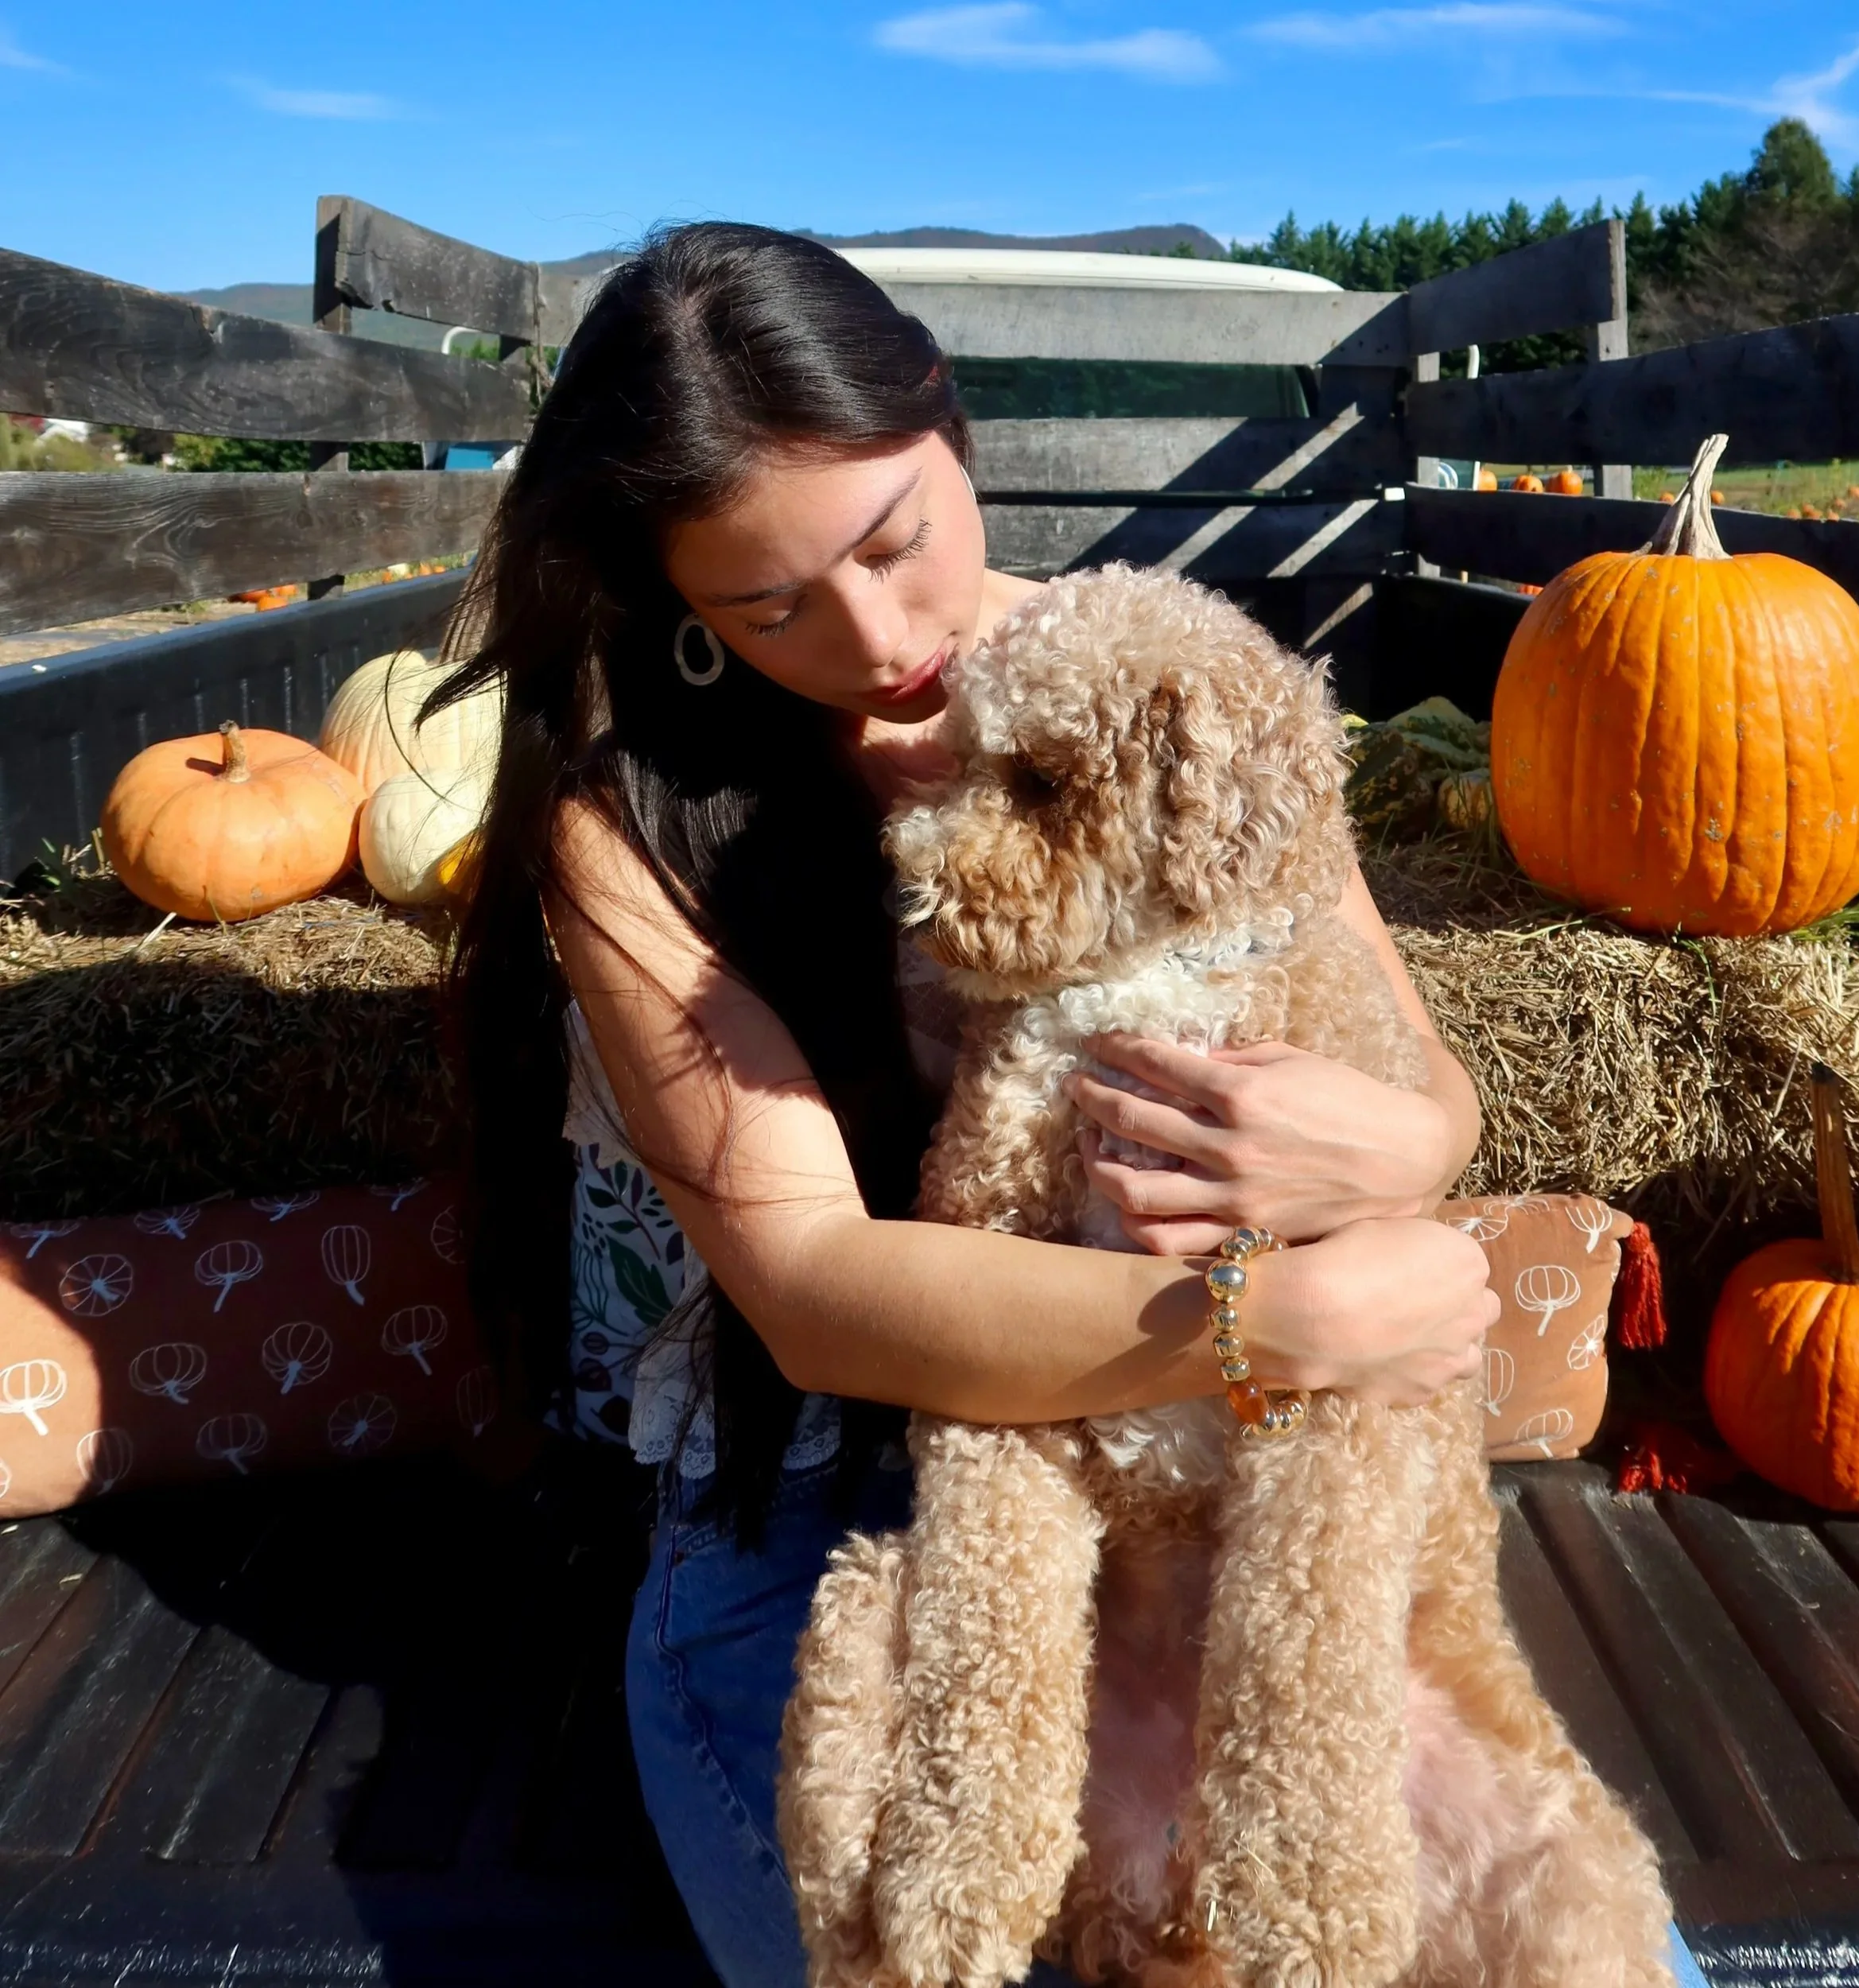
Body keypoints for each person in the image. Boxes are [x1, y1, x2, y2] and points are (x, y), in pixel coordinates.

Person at [440, 221, 1500, 1988]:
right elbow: (811, 1288)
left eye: (893, 540)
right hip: (825, 1500)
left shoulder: (1151, 680)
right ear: (675, 596)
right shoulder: (620, 812)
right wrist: (1266, 1316)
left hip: (1212, 1491)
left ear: (948, 419)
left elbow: (1415, 1066)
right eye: (765, 605)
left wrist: (1411, 1146)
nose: (872, 639)